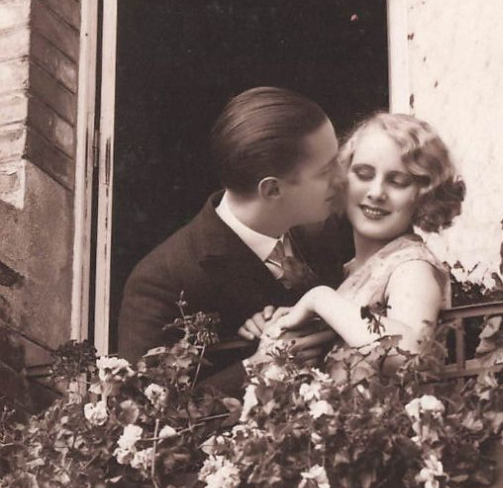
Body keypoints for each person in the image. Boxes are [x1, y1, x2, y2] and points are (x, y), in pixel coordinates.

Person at [117, 86, 352, 391]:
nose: (342, 176)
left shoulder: (328, 224)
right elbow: (143, 414)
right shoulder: (162, 281)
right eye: (326, 170)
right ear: (272, 190)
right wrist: (256, 367)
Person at [243, 112, 465, 362]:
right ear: (342, 179)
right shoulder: (351, 269)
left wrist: (320, 299)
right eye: (364, 174)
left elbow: (410, 356)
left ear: (425, 195)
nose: (376, 192)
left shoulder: (411, 266)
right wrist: (280, 323)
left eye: (398, 181)